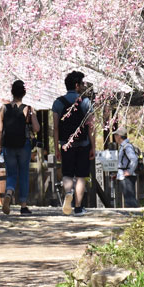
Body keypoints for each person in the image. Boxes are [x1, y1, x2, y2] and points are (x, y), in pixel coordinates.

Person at [53, 71, 95, 215]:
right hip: (83, 143)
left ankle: (68, 193)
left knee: (67, 174)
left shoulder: (58, 102)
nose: (84, 86)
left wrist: (57, 148)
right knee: (81, 176)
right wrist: (93, 146)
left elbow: (56, 128)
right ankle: (78, 207)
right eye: (82, 84)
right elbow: (91, 126)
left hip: (66, 144)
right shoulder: (85, 102)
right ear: (77, 85)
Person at [0, 79, 40, 216]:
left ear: (12, 92)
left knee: (11, 174)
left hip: (8, 146)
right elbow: (37, 128)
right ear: (24, 92)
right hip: (24, 145)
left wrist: (0, 147)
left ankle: (9, 192)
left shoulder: (3, 108)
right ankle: (23, 206)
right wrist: (32, 115)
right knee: (23, 174)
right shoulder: (28, 109)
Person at [112, 128, 140, 208]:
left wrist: (130, 171)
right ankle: (133, 216)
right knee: (129, 198)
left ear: (119, 136)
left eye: (115, 135)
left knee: (130, 199)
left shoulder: (126, 147)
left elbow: (134, 159)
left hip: (126, 176)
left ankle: (134, 216)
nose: (115, 137)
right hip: (124, 175)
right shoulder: (124, 146)